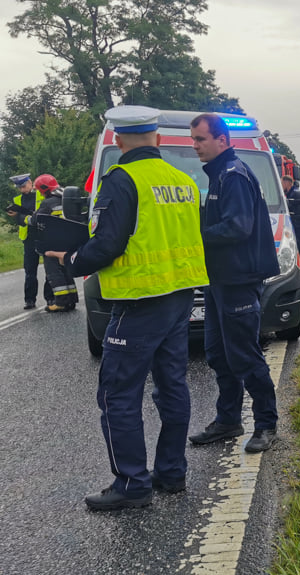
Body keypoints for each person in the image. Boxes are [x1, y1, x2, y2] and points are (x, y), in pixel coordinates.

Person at [46, 106, 209, 510]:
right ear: (156, 137)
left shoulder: (120, 181)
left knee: (117, 393)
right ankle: (172, 472)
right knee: (172, 386)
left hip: (139, 301)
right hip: (180, 295)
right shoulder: (183, 179)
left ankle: (132, 483)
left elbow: (106, 244)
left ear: (118, 140)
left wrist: (68, 261)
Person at [187, 113, 280, 454]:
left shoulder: (234, 175)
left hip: (238, 280)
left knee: (244, 356)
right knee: (217, 354)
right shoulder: (219, 175)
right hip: (218, 281)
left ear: (222, 141)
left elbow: (238, 227)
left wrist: (196, 237)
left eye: (200, 139)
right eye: (193, 138)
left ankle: (266, 424)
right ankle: (227, 420)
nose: (194, 145)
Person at [26, 174, 79, 312]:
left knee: (54, 272)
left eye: (39, 190)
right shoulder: (67, 199)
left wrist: (23, 218)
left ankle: (61, 302)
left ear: (44, 189)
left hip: (52, 243)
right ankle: (71, 300)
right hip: (68, 242)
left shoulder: (48, 203)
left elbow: (35, 220)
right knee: (66, 270)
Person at [7, 173, 51, 309]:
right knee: (30, 271)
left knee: (50, 268)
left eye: (24, 186)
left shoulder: (41, 195)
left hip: (44, 236)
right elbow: (19, 220)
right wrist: (14, 216)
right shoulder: (18, 200)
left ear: (31, 183)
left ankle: (50, 298)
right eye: (20, 187)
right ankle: (30, 300)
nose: (22, 189)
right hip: (28, 238)